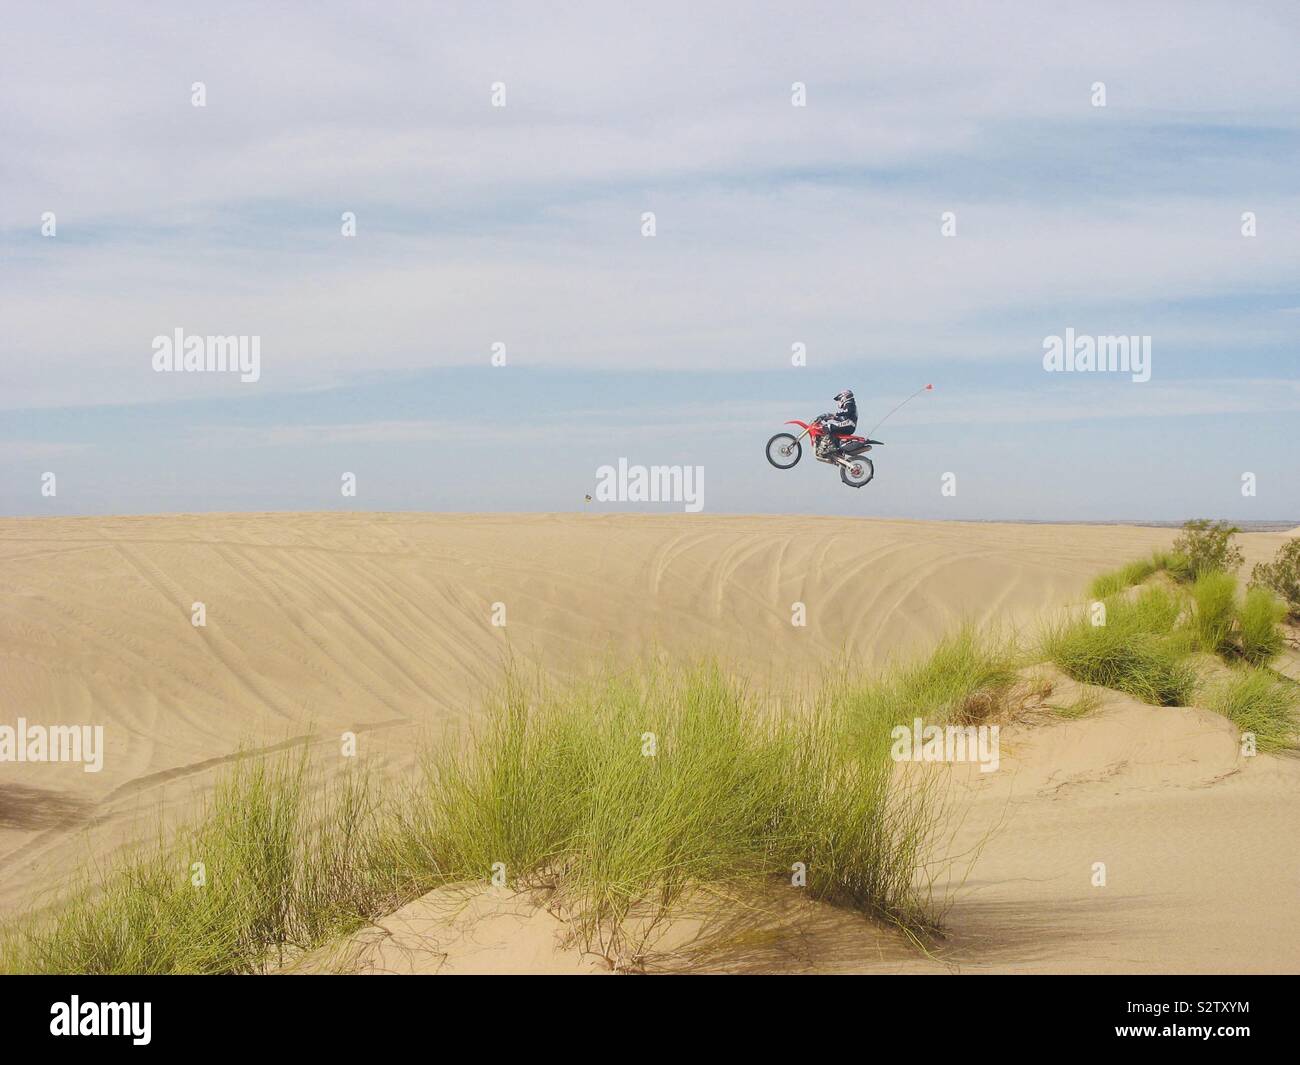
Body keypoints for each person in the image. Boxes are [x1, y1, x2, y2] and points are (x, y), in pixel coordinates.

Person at [814, 389, 858, 459]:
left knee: (827, 427)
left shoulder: (850, 403)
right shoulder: (850, 405)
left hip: (849, 424)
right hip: (849, 424)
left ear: (844, 396)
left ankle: (830, 447)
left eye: (839, 399)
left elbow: (847, 412)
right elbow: (843, 418)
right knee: (834, 432)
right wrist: (831, 417)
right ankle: (837, 451)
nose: (839, 401)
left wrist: (833, 414)